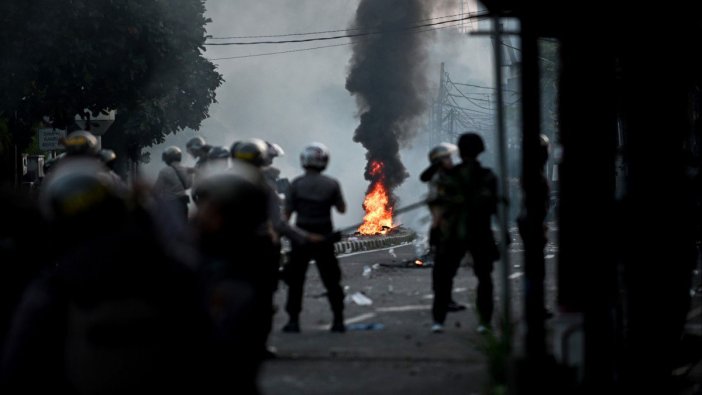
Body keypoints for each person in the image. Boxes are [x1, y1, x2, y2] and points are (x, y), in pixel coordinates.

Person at [432, 132, 499, 334]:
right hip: (480, 233)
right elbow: (495, 207)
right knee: (484, 278)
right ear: (481, 151)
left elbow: (439, 208)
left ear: (460, 152)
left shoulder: (449, 176)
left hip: (454, 234)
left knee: (444, 277)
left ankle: (439, 321)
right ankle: (484, 322)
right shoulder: (488, 176)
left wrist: (436, 232)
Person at [282, 142, 346, 333]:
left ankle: (293, 322)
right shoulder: (332, 184)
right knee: (331, 280)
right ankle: (338, 321)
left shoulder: (296, 184)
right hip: (324, 237)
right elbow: (342, 209)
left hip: (301, 238)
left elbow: (286, 216)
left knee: (296, 281)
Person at [420, 142, 466, 314]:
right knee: (444, 268)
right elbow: (437, 209)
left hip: (447, 228)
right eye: (447, 158)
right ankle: (443, 300)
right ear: (439, 161)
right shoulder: (439, 179)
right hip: (443, 230)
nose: (451, 160)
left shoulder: (445, 176)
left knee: (447, 267)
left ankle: (445, 299)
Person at [152, 146, 191, 221]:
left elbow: (157, 190)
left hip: (170, 204)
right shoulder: (187, 170)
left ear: (169, 158)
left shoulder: (164, 171)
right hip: (183, 203)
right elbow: (188, 185)